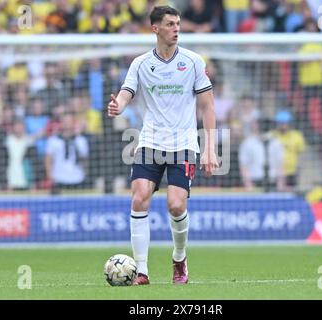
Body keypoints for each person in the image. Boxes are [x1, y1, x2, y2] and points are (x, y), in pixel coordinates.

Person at [107, 5, 218, 285]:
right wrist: (118, 105)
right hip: (151, 141)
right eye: (170, 24)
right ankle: (141, 271)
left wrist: (209, 147)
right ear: (155, 29)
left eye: (178, 23)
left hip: (183, 144)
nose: (176, 28)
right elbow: (126, 92)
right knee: (139, 197)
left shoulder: (193, 61)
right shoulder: (141, 64)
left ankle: (179, 259)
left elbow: (207, 106)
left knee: (176, 205)